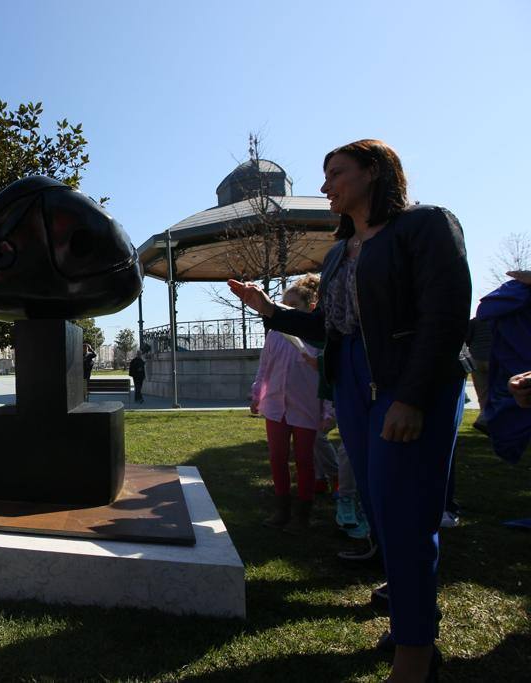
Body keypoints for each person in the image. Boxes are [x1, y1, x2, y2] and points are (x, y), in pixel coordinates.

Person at [229, 139, 470, 682]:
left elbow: (446, 314)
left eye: (336, 173)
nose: (326, 185)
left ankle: (414, 654)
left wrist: (409, 396)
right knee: (383, 514)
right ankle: (414, 614)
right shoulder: (339, 253)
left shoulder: (426, 225)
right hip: (354, 384)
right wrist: (268, 310)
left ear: (375, 172)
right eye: (325, 174)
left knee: (407, 515)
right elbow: (331, 330)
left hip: (410, 381)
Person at [250, 275, 334, 533]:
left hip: (305, 408)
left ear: (310, 308)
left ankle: (303, 514)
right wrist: (256, 395)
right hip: (276, 407)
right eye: (284, 305)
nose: (286, 310)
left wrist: (330, 411)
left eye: (293, 306)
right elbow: (264, 369)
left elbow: (329, 375)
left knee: (304, 460)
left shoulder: (318, 340)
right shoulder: (275, 335)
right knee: (277, 458)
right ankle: (282, 509)